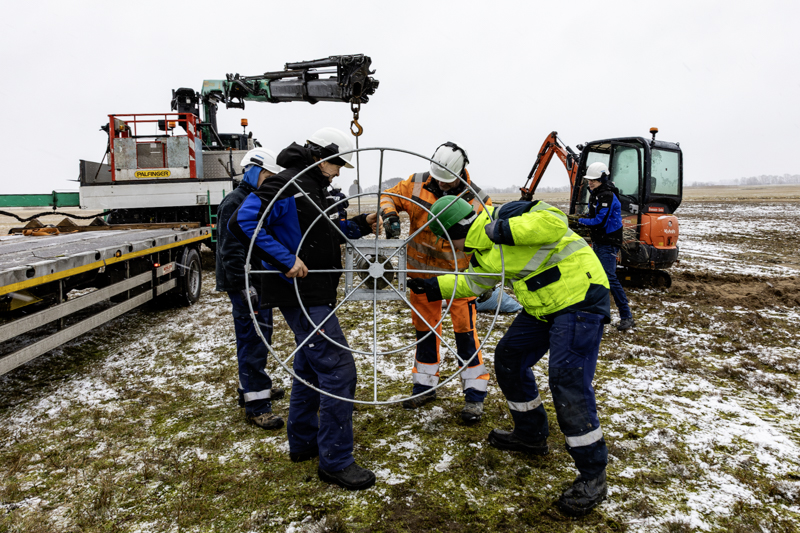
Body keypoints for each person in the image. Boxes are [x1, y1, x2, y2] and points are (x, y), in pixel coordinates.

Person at [407, 196, 612, 517]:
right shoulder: (482, 254)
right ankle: (530, 434)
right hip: (544, 306)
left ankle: (593, 474)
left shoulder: (508, 214)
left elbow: (555, 222)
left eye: (448, 240)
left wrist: (503, 229)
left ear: (457, 229)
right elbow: (476, 281)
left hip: (580, 297)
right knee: (508, 358)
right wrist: (431, 287)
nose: (451, 248)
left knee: (566, 379)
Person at [229, 127, 379, 491]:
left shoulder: (309, 187)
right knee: (339, 369)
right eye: (337, 164)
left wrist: (358, 225)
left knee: (310, 366)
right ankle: (336, 461)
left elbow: (319, 230)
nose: (340, 171)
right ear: (321, 157)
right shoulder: (285, 183)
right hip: (300, 292)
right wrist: (285, 260)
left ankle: (303, 442)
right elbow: (245, 222)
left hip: (315, 291)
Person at [379, 142, 491, 424]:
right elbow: (387, 196)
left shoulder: (478, 200)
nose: (440, 184)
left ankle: (474, 396)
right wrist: (389, 214)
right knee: (425, 332)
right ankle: (424, 387)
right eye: (437, 179)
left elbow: (486, 241)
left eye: (446, 180)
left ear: (461, 171)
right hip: (420, 278)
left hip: (458, 280)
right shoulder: (416, 183)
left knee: (465, 334)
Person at [215, 148, 285, 430]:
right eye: (267, 175)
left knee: (261, 334)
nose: (269, 181)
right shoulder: (235, 202)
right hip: (245, 284)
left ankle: (255, 389)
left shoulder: (250, 198)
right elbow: (229, 249)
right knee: (253, 339)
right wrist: (244, 286)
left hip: (254, 280)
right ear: (255, 171)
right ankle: (257, 406)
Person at [578, 162, 635, 331]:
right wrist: (585, 216)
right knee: (596, 276)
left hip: (608, 242)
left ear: (603, 179)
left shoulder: (607, 196)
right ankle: (595, 312)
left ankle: (627, 316)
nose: (591, 183)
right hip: (599, 241)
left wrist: (581, 221)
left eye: (594, 180)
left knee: (610, 278)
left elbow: (600, 222)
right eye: (589, 180)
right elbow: (593, 215)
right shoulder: (595, 194)